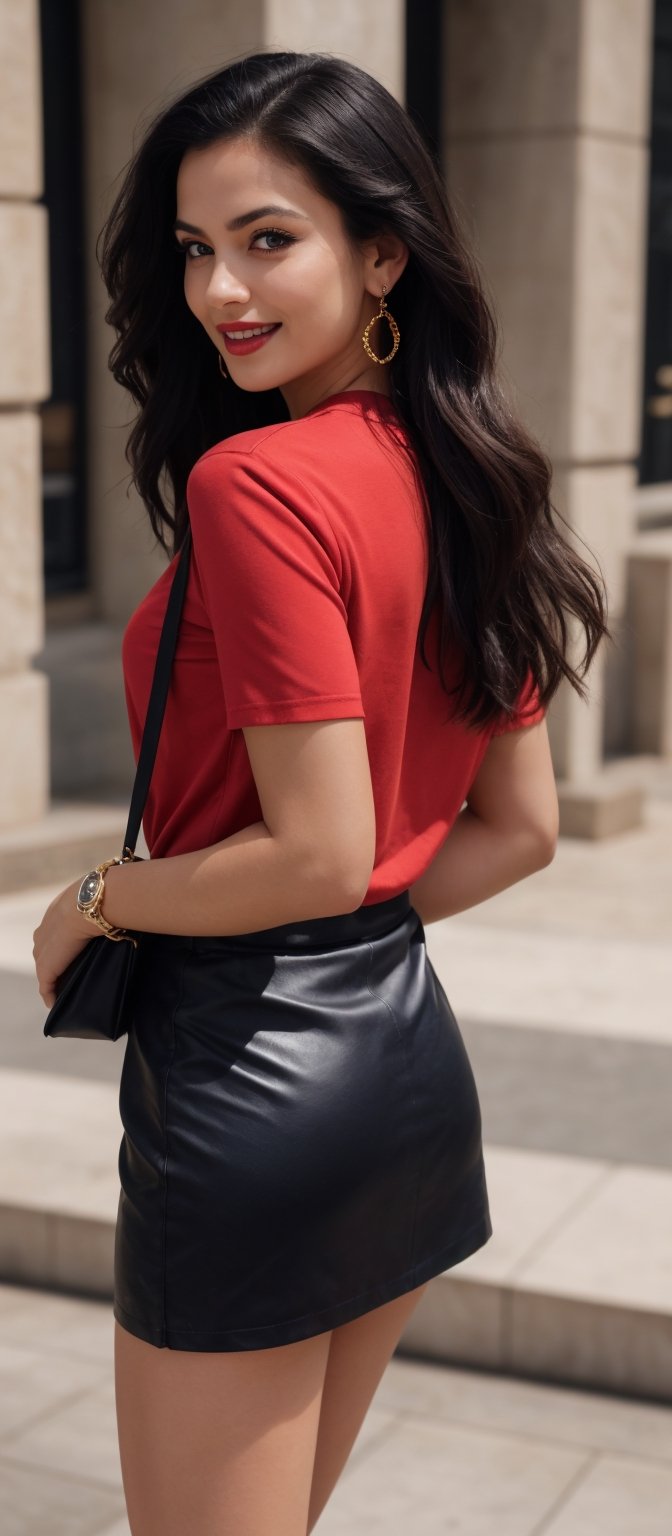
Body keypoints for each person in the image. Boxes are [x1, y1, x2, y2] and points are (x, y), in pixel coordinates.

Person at [32, 49, 609, 1536]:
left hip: (249, 1095)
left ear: (381, 249)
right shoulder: (469, 469)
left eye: (268, 239)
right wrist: (345, 924)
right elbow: (519, 831)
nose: (224, 288)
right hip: (403, 1071)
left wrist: (95, 900)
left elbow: (314, 848)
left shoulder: (259, 485)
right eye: (195, 249)